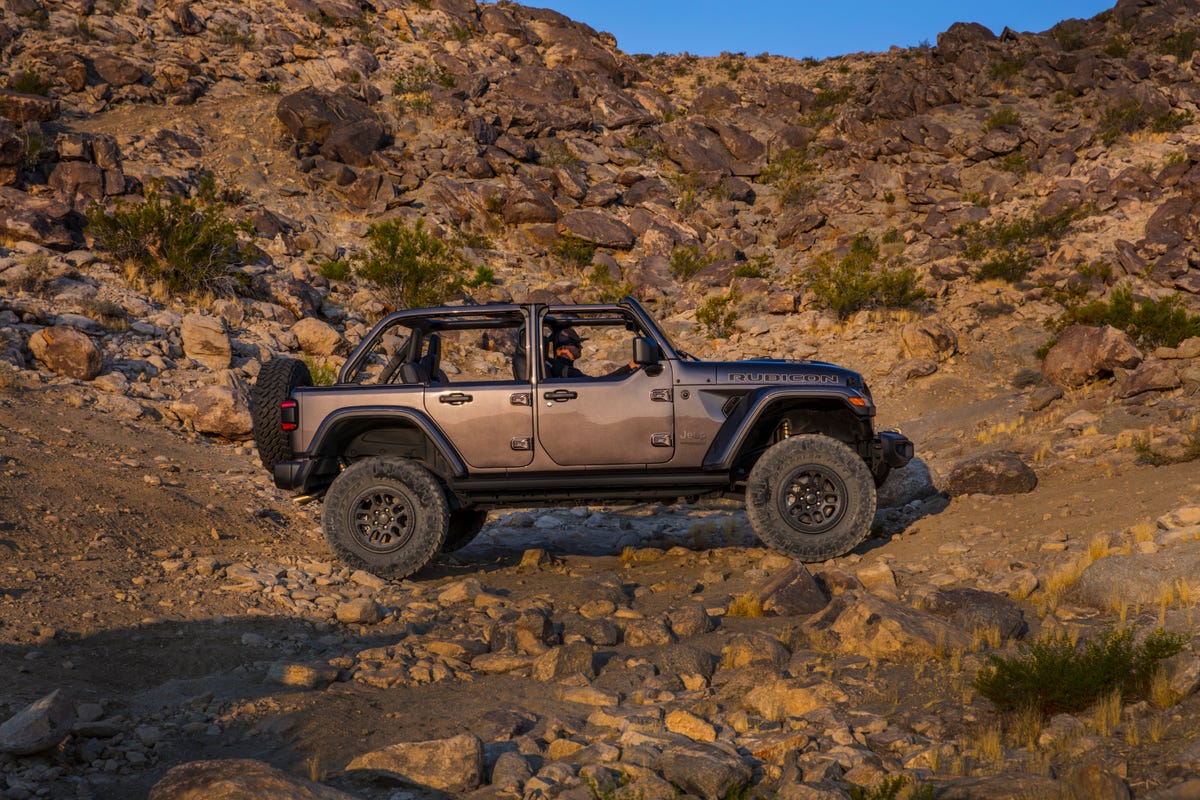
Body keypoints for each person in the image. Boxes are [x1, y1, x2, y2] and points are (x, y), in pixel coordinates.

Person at [545, 327, 639, 379]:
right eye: (576, 344)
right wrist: (629, 367)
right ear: (563, 348)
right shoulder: (567, 371)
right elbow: (599, 384)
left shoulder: (557, 366)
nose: (581, 347)